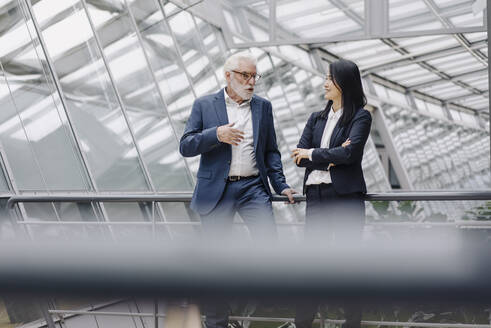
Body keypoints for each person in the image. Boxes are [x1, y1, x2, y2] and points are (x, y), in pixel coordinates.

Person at [179, 52, 296, 328]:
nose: (252, 81)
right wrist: (216, 135)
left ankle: (250, 307)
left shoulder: (263, 107)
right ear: (228, 75)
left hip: (253, 188)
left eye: (255, 75)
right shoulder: (204, 105)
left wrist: (282, 185)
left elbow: (271, 152)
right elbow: (186, 145)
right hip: (217, 192)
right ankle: (218, 322)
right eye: (246, 75)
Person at [291, 59, 372, 328]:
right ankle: (303, 322)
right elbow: (297, 157)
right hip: (316, 197)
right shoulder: (316, 118)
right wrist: (331, 157)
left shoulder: (361, 115)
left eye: (330, 78)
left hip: (346, 197)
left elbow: (350, 154)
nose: (325, 83)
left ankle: (352, 323)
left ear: (344, 82)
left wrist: (314, 154)